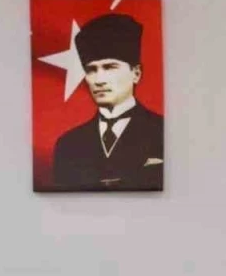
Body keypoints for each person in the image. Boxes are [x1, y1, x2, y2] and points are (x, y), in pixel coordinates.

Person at [51, 13, 164, 191]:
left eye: (110, 67)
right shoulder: (68, 145)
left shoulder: (163, 131)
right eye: (91, 70)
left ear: (136, 73)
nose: (99, 80)